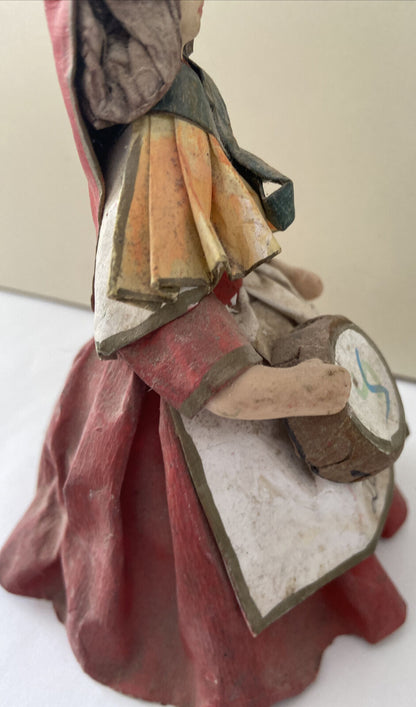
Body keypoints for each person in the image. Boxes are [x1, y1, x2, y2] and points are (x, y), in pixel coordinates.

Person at [0, 2, 407, 705]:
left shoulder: (183, 91)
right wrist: (288, 392)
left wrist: (272, 273)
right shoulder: (159, 140)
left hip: (230, 307)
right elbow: (164, 314)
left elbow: (211, 222)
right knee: (225, 525)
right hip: (188, 389)